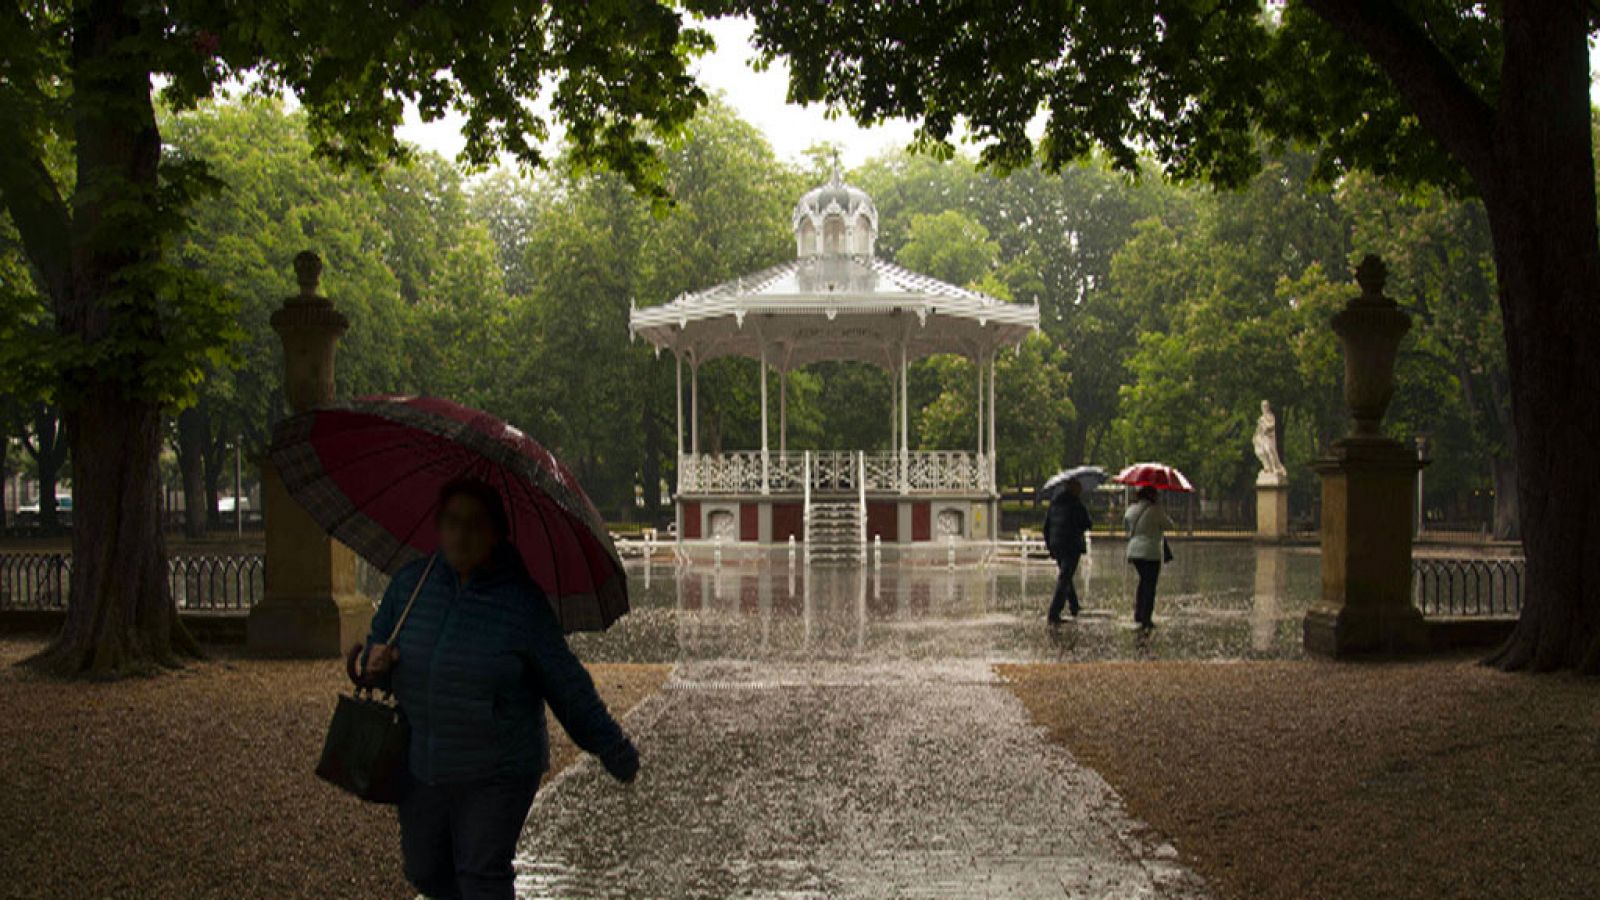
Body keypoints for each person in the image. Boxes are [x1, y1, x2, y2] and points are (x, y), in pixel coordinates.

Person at [357, 477, 639, 900]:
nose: (461, 534)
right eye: (452, 521)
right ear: (439, 525)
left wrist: (612, 746)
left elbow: (566, 684)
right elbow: (375, 651)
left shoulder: (522, 604)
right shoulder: (411, 585)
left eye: (474, 524)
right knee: (425, 869)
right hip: (423, 763)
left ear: (495, 533)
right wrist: (370, 663)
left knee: (481, 874)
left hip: (498, 770)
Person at [1124, 485, 1175, 629]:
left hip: (1134, 551)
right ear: (1152, 495)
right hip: (1150, 553)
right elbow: (1170, 525)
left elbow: (1125, 526)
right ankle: (1146, 617)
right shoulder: (1155, 510)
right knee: (1150, 585)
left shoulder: (1131, 509)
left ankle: (1138, 613)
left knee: (1143, 582)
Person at [1043, 478, 1094, 621]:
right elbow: (1087, 524)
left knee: (1066, 575)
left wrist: (1050, 545)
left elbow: (1046, 526)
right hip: (1071, 545)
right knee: (1065, 577)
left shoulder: (1054, 504)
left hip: (1057, 544)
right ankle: (1054, 612)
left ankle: (1074, 605)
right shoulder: (1076, 504)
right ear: (1073, 488)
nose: (1081, 489)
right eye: (1079, 487)